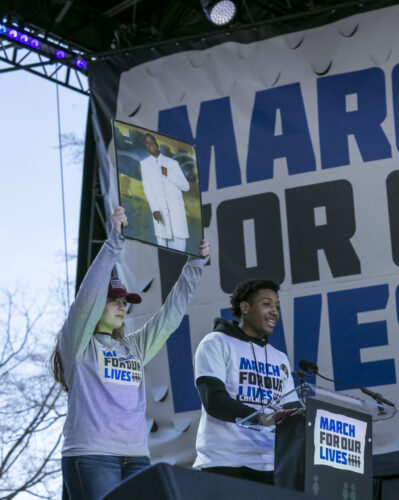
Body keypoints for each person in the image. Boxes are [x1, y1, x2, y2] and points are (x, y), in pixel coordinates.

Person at [52, 206, 209, 500]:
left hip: (136, 457)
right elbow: (86, 299)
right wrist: (114, 243)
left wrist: (194, 265)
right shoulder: (78, 348)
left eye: (125, 301)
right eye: (114, 301)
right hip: (91, 455)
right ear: (97, 307)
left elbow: (170, 317)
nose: (122, 305)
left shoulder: (134, 347)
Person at [193, 279, 297, 484]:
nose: (275, 312)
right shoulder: (215, 342)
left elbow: (291, 408)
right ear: (245, 307)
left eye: (277, 306)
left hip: (271, 466)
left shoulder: (280, 358)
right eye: (267, 304)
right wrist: (259, 418)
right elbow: (214, 400)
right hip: (225, 464)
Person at [140, 133, 190, 251]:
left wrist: (169, 174)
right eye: (146, 143)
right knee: (163, 253)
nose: (149, 145)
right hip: (160, 215)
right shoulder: (145, 165)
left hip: (177, 215)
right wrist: (155, 209)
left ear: (157, 144)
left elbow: (186, 186)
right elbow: (148, 189)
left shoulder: (172, 163)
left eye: (151, 141)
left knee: (180, 252)